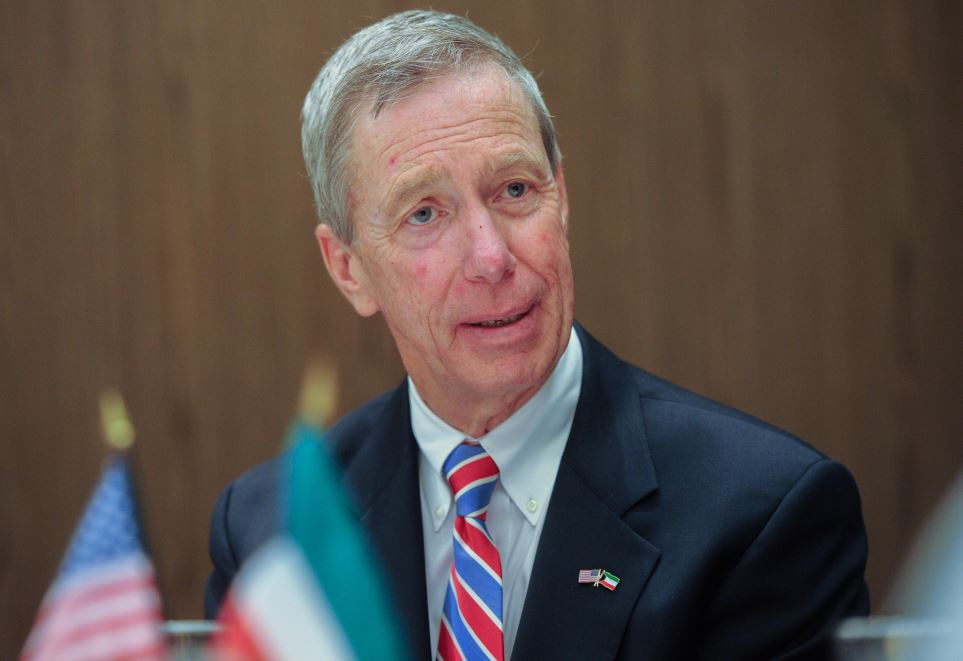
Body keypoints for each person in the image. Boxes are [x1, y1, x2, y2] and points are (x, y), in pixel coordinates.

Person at [206, 10, 869, 660]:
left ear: (562, 197)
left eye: (515, 189)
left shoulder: (761, 516)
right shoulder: (273, 540)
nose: (491, 257)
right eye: (425, 214)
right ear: (348, 268)